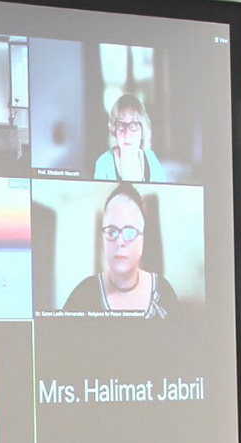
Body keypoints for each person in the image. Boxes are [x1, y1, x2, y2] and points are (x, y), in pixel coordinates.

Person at [62, 183, 179, 318]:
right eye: (112, 231)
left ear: (141, 240)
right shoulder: (83, 294)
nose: (119, 242)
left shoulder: (164, 291)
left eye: (129, 232)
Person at [93, 94, 166, 183]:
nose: (126, 133)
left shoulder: (151, 159)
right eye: (121, 124)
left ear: (142, 130)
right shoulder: (103, 163)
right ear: (114, 128)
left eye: (134, 124)